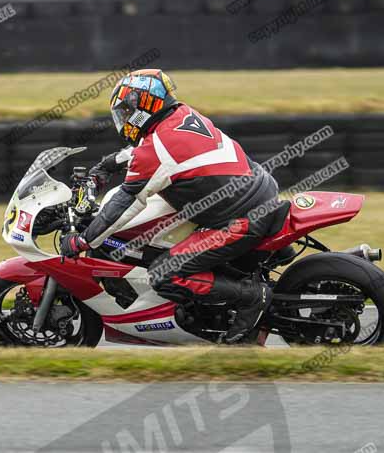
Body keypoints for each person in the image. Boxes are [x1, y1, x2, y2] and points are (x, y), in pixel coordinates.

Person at [59, 69, 280, 343]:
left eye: (127, 110)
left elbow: (126, 201)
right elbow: (155, 151)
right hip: (260, 192)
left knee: (164, 273)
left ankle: (250, 298)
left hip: (241, 220)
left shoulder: (159, 147)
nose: (125, 118)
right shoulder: (182, 115)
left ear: (145, 104)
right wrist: (109, 164)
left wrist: (84, 240)